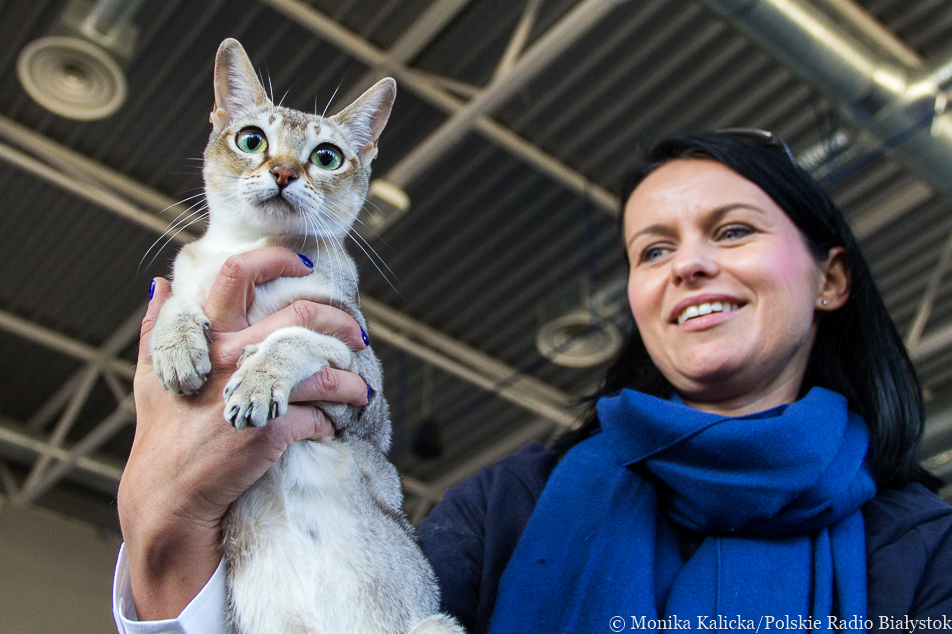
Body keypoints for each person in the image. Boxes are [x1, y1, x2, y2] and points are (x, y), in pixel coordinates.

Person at [113, 131, 952, 634]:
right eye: (652, 250)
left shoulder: (923, 548)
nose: (689, 264)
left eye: (731, 231)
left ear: (831, 278)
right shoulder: (510, 505)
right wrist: (167, 539)